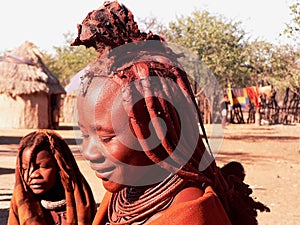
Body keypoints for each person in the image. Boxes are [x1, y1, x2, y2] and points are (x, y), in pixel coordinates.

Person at [72, 1, 270, 225]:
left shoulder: (191, 216)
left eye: (106, 137)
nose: (88, 152)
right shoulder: (125, 192)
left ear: (158, 131)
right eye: (85, 135)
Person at [8, 129, 97, 225]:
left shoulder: (81, 199)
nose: (33, 175)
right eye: (25, 169)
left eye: (42, 167)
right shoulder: (22, 203)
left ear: (60, 167)